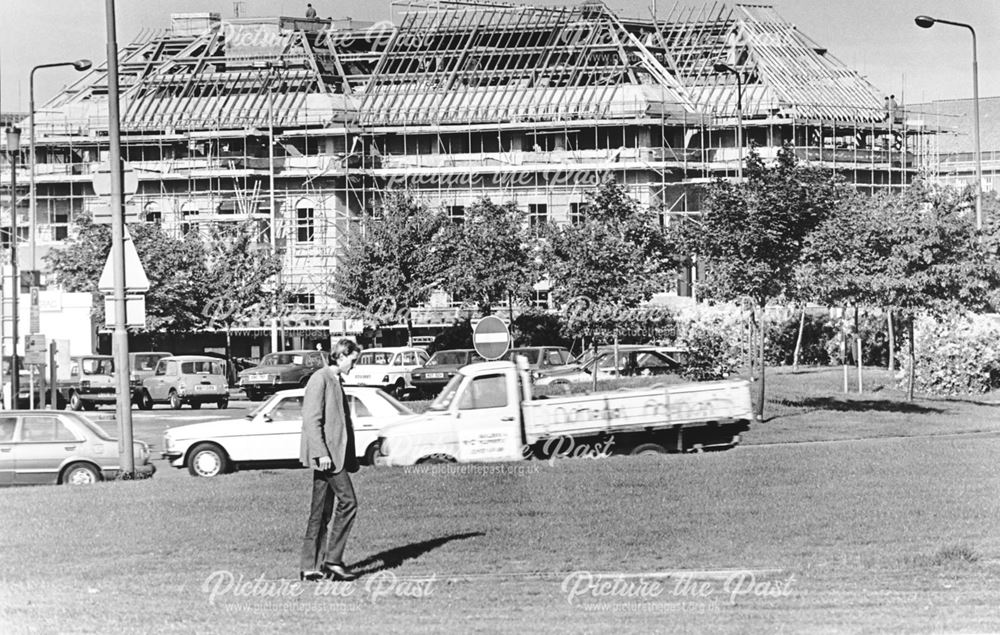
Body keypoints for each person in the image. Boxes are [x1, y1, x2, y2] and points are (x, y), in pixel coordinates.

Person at [299, 338, 361, 582]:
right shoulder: (320, 378)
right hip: (328, 457)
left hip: (334, 456)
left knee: (320, 514)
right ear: (341, 356)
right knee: (349, 503)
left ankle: (310, 567)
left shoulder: (335, 380)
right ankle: (332, 561)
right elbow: (311, 420)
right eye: (353, 361)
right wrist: (321, 453)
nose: (353, 366)